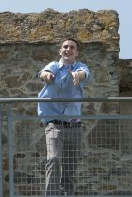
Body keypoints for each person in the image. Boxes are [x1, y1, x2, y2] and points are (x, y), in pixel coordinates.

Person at [37, 38, 91, 196]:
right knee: (53, 159)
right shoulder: (54, 66)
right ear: (60, 51)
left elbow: (84, 74)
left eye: (72, 47)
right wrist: (47, 76)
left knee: (70, 165)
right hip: (54, 125)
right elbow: (43, 73)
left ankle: (68, 194)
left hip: (74, 126)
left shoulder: (80, 67)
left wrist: (77, 76)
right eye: (65, 47)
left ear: (76, 52)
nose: (68, 49)